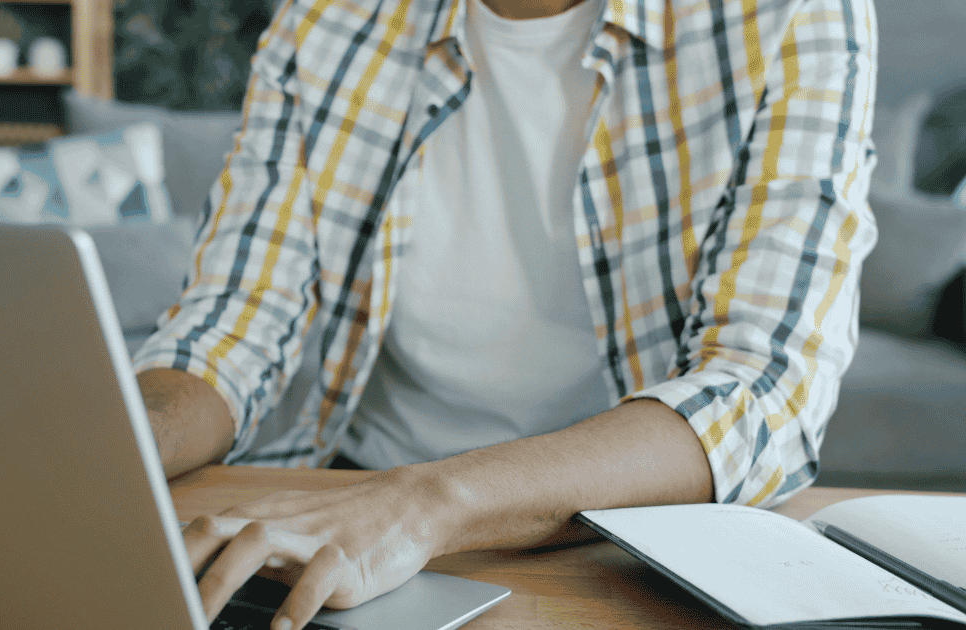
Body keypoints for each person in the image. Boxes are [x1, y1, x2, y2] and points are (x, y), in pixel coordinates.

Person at [132, 0, 878, 627]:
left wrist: (422, 504)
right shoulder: (328, 18)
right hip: (357, 505)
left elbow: (760, 390)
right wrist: (101, 445)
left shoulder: (788, 16)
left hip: (627, 539)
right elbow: (234, 322)